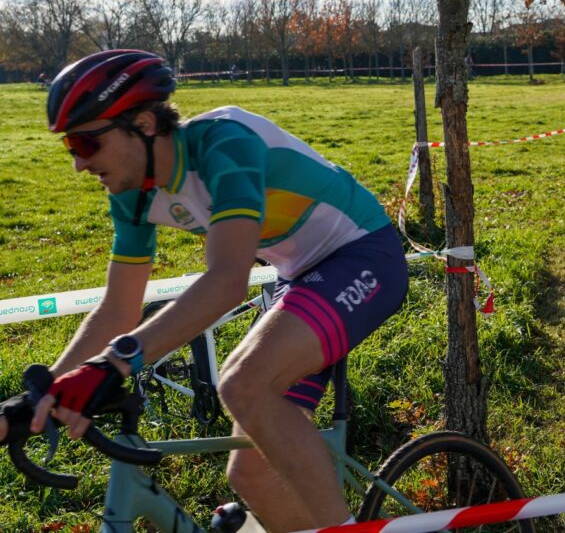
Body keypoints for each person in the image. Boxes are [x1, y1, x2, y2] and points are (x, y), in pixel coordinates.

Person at [0, 49, 408, 532]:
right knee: (251, 474)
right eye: (71, 147)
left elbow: (227, 280)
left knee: (242, 383)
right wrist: (42, 393)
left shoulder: (224, 143)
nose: (79, 164)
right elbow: (117, 309)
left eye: (87, 143)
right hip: (298, 275)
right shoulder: (132, 193)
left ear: (144, 124)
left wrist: (114, 363)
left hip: (363, 254)